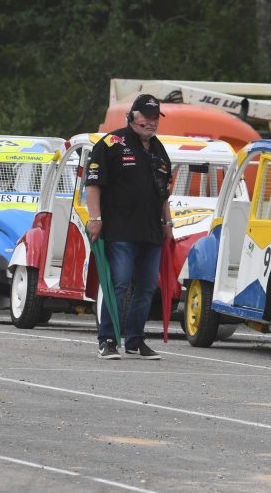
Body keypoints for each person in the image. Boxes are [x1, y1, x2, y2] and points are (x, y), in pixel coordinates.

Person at [85, 94, 173, 360]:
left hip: (151, 230)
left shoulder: (159, 150)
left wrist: (168, 222)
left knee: (146, 288)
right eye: (146, 116)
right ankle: (108, 340)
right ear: (132, 116)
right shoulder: (112, 143)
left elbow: (163, 192)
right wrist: (95, 218)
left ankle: (135, 339)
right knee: (119, 284)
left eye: (155, 117)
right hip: (120, 229)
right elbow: (93, 183)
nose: (151, 122)